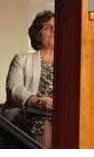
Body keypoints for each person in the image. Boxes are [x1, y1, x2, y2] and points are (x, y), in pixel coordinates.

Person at [3, 11, 55, 148]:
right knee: (42, 123)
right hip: (26, 112)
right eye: (48, 27)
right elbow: (14, 88)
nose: (53, 30)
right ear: (37, 33)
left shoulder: (68, 64)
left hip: (56, 114)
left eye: (57, 27)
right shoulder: (22, 59)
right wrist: (37, 102)